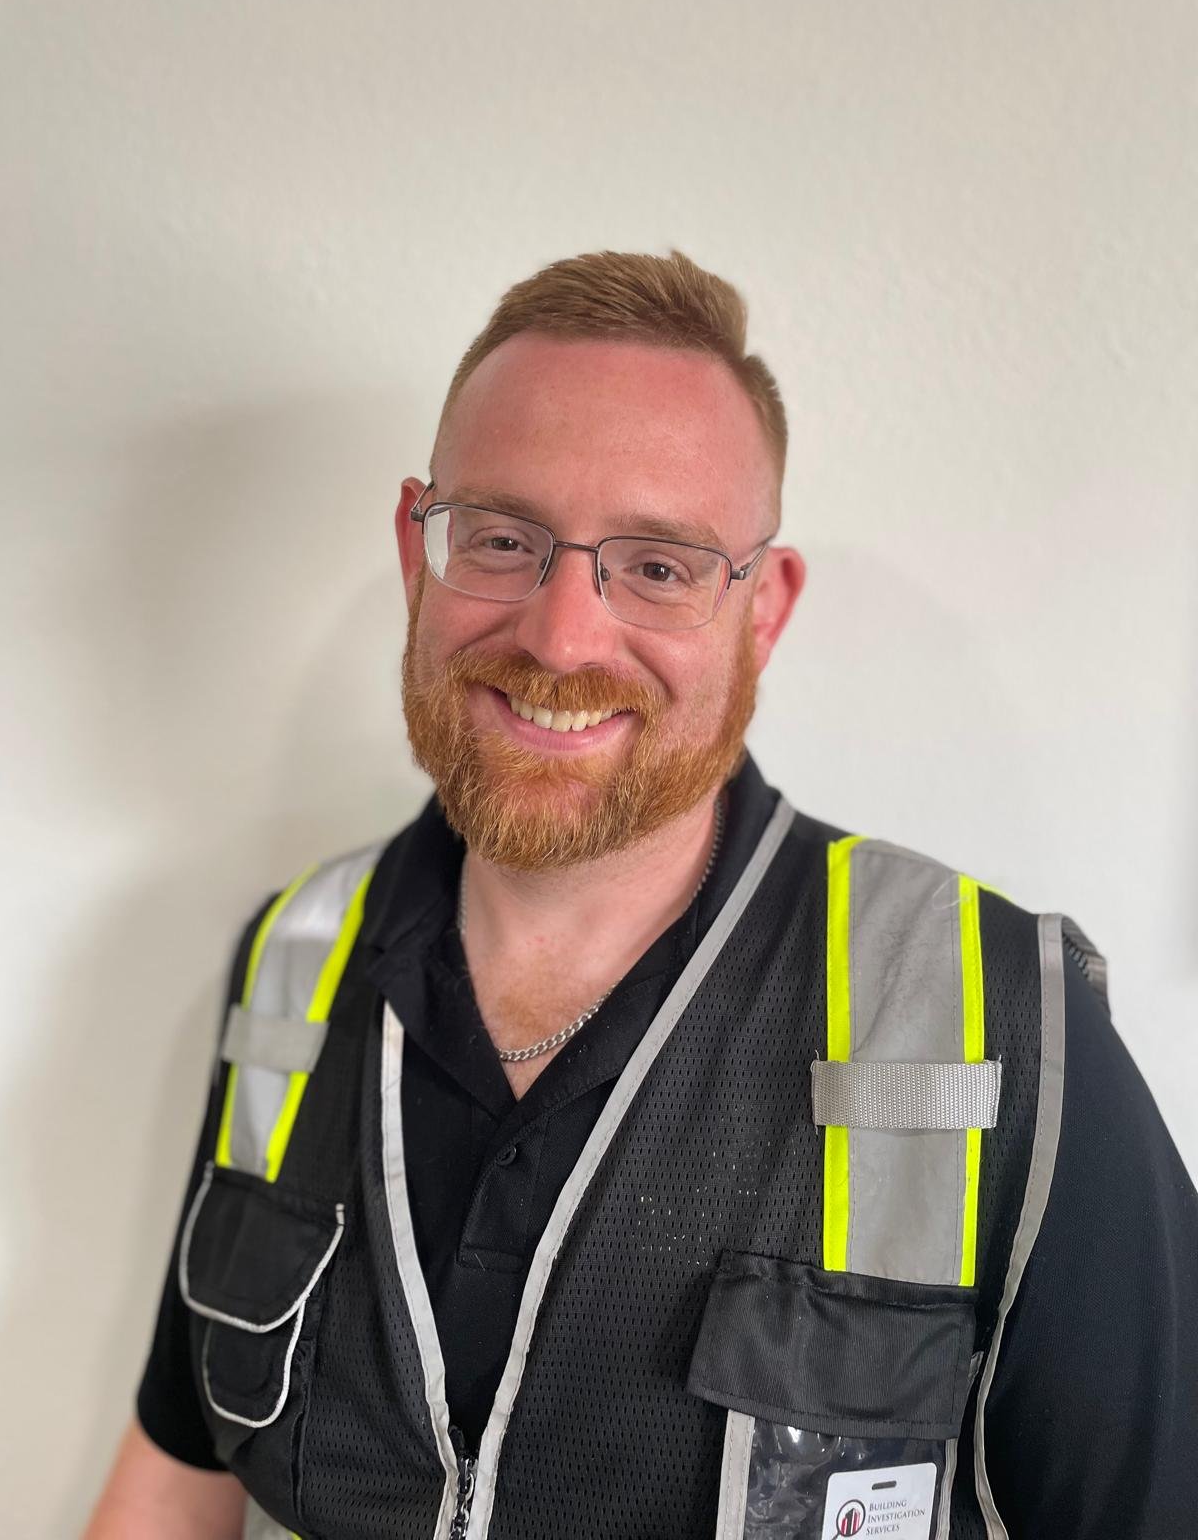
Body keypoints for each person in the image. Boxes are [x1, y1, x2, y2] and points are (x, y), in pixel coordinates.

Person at [86, 250, 1197, 1540]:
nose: (562, 638)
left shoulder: (1007, 1023)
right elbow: (176, 1470)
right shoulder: (292, 962)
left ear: (760, 609)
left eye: (659, 566)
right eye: (503, 539)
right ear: (419, 549)